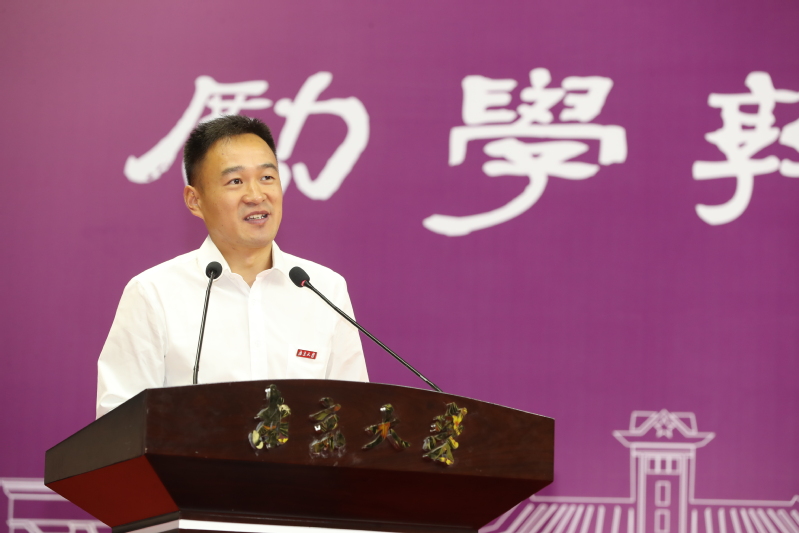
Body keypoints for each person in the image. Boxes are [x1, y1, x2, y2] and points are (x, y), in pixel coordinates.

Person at [96, 115, 368, 418]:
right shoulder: (153, 294)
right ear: (195, 200)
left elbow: (354, 413)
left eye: (267, 177)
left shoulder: (324, 289)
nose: (256, 195)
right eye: (235, 181)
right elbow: (119, 424)